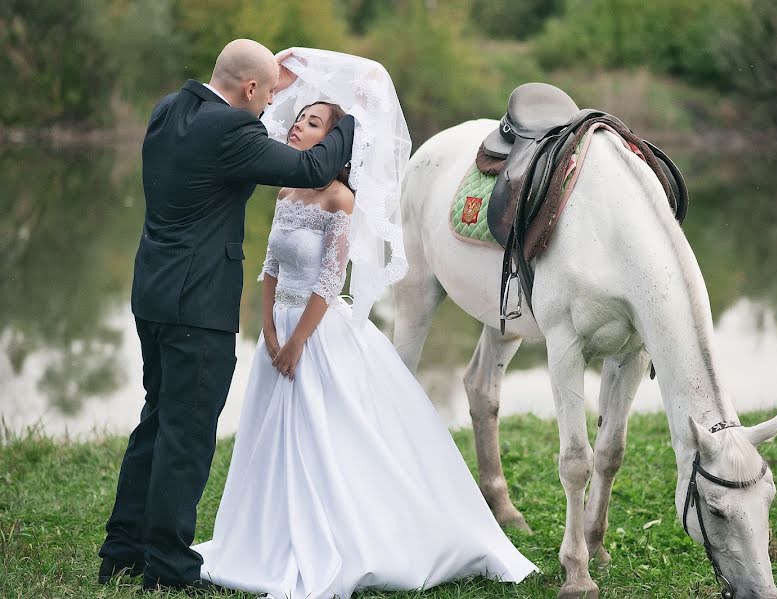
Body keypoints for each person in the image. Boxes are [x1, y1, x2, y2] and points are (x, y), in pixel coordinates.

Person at [191, 96, 537, 599]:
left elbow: (328, 283)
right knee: (273, 435)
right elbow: (269, 269)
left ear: (330, 142)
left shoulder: (340, 201)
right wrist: (267, 331)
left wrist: (296, 344)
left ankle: (348, 529)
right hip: (279, 332)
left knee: (328, 433)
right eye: (297, 121)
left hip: (316, 334)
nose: (295, 129)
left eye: (309, 124)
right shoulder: (286, 192)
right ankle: (268, 533)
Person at [97, 39, 356, 593]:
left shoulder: (169, 109)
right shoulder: (234, 132)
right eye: (265, 98)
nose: (268, 111)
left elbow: (244, 100)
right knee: (186, 435)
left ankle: (122, 551)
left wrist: (264, 80)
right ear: (250, 89)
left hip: (153, 295)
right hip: (198, 305)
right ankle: (166, 565)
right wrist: (349, 119)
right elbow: (315, 166)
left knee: (157, 420)